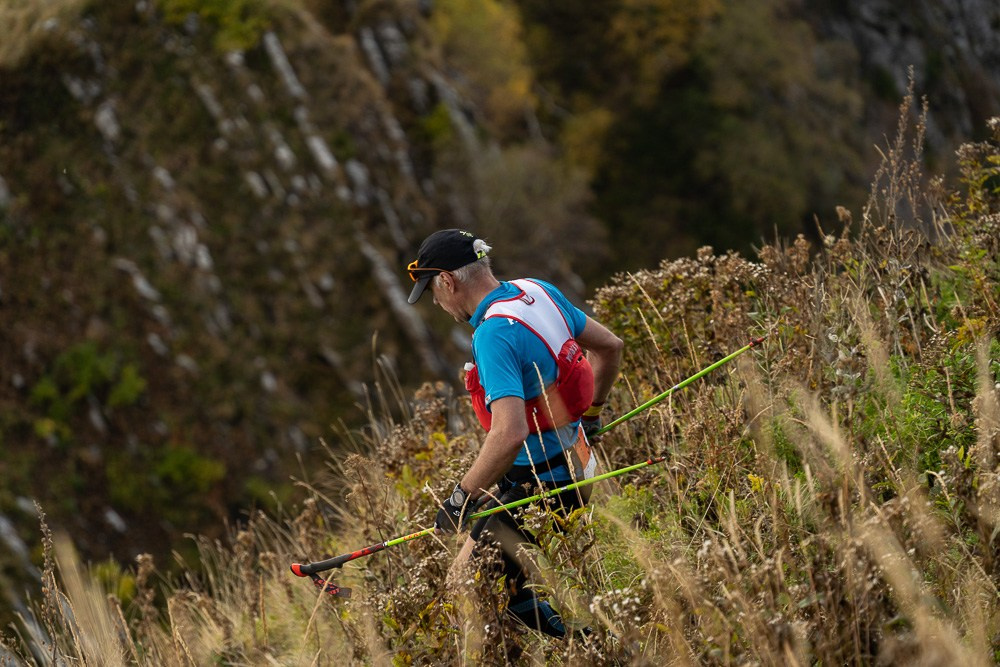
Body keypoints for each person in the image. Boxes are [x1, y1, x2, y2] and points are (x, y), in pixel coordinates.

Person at [406, 228, 623, 638]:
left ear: (448, 282)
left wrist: (459, 499)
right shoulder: (534, 290)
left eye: (433, 292)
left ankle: (595, 646)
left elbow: (509, 433)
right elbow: (610, 347)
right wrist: (591, 417)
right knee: (483, 578)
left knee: (470, 587)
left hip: (547, 486)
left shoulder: (493, 333)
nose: (436, 302)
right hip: (577, 465)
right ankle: (578, 638)